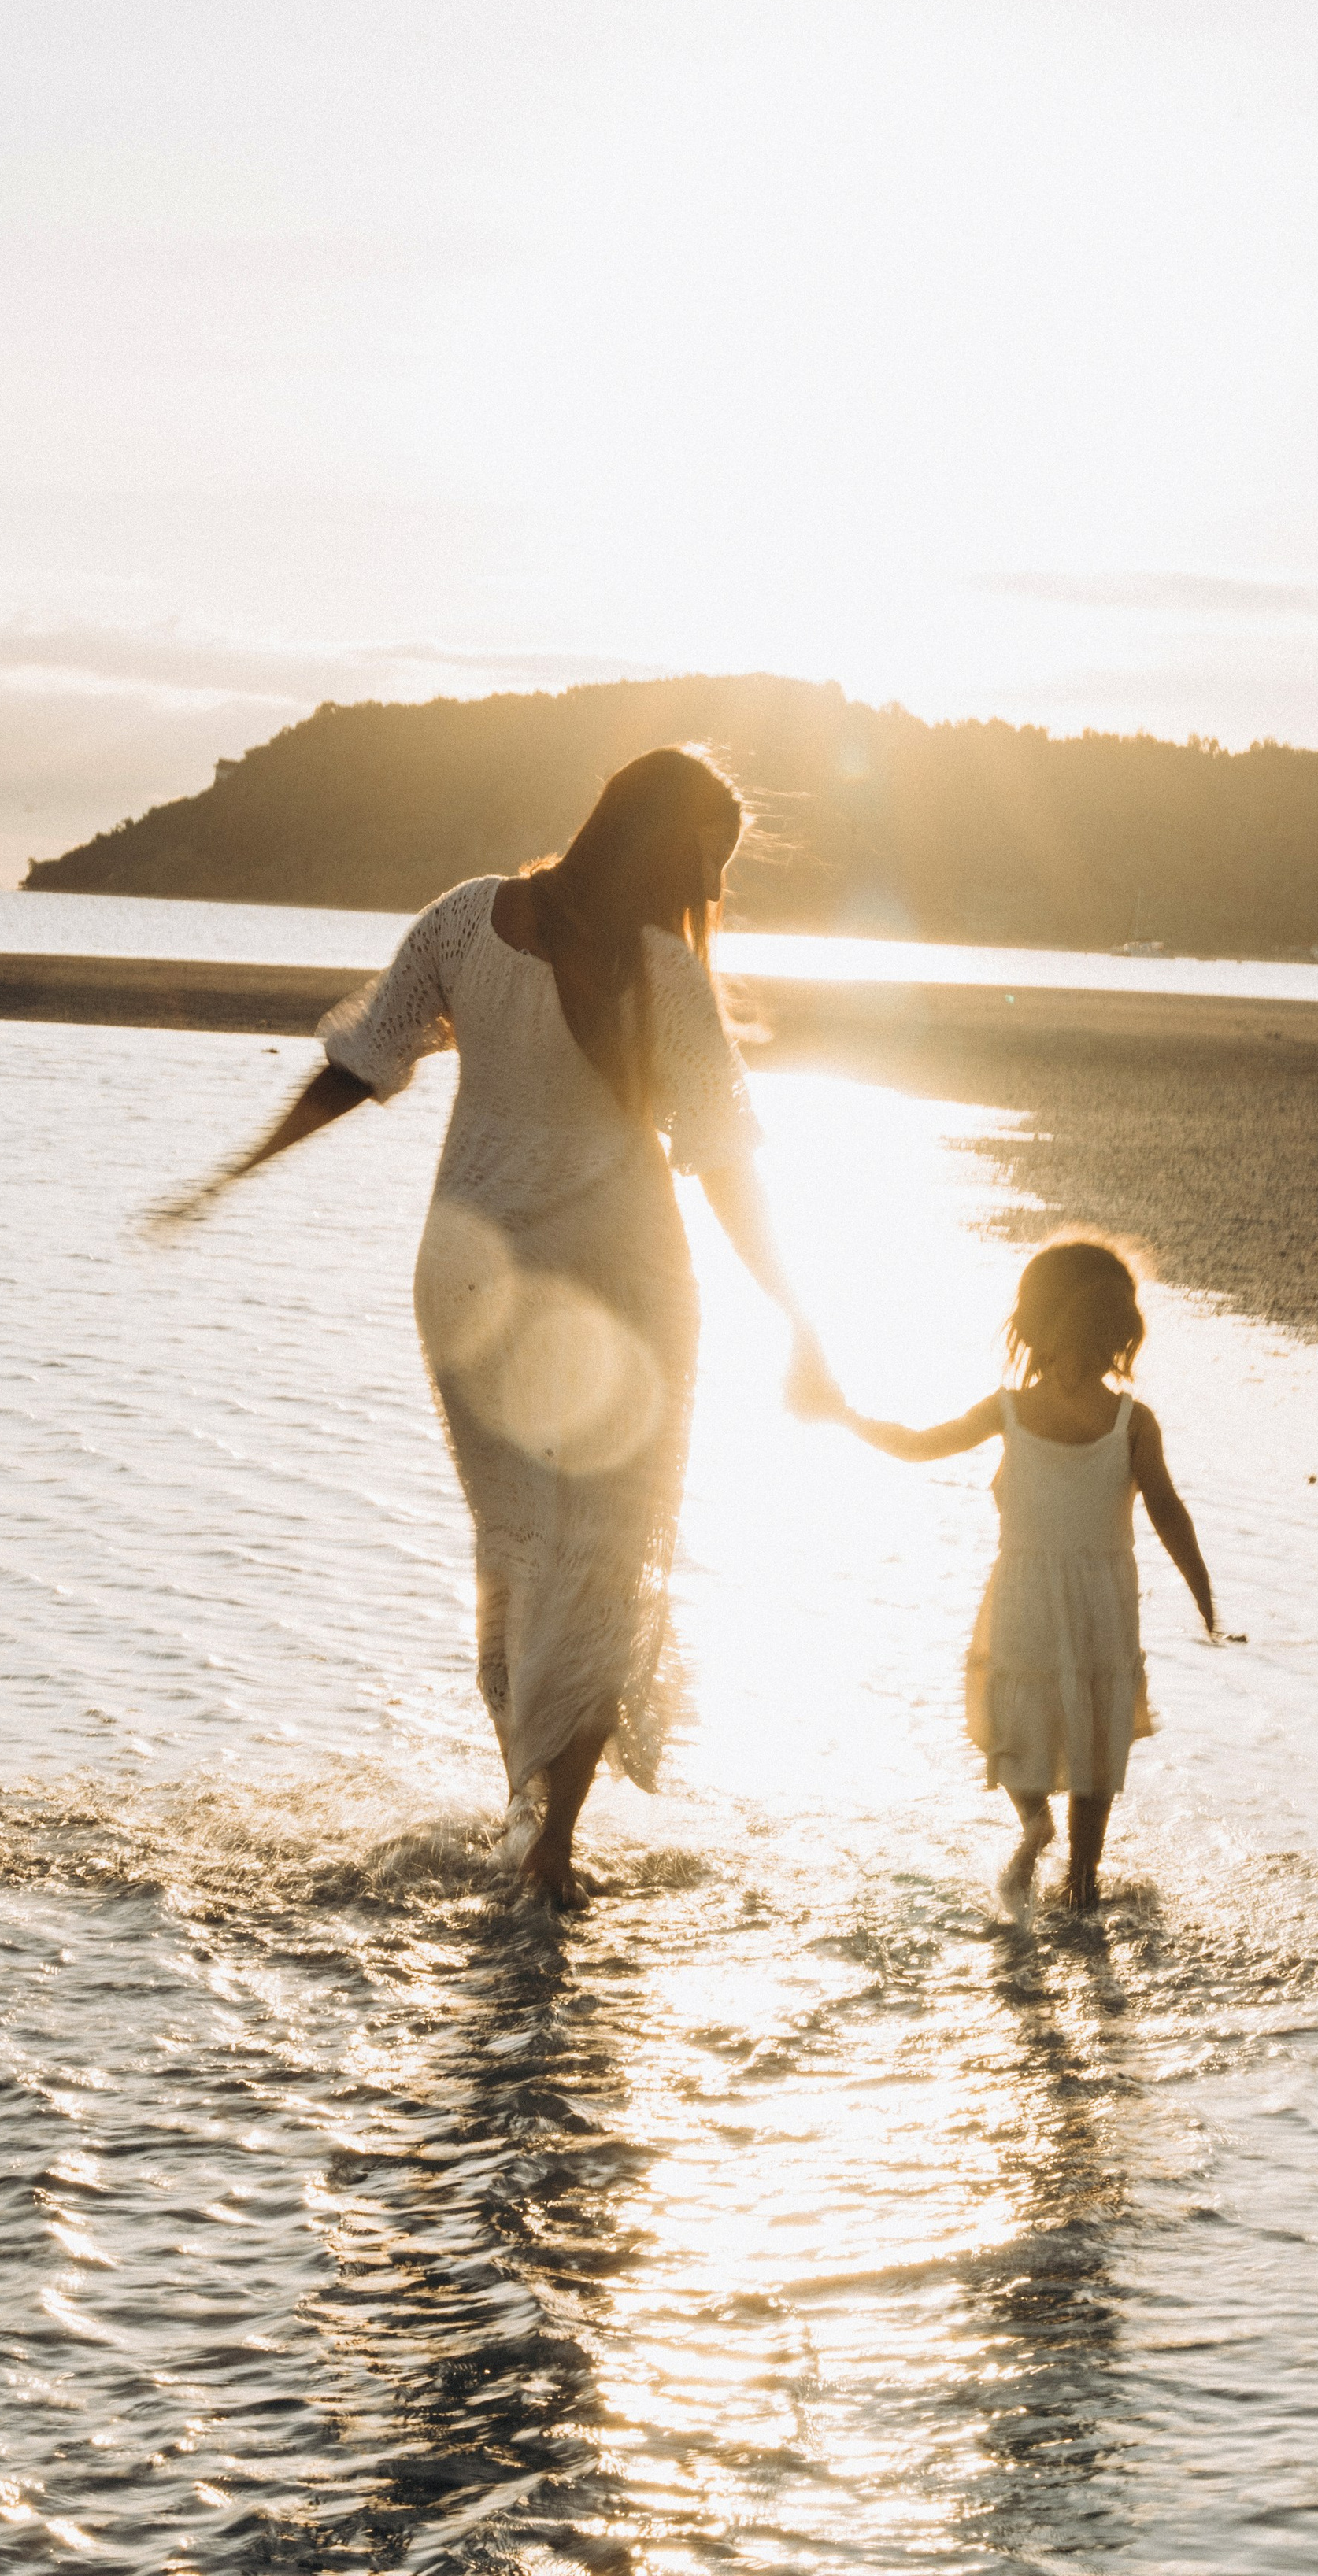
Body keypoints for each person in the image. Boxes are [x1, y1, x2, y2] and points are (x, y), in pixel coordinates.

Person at [159, 745, 835, 1906]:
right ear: (658, 843)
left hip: (467, 1286)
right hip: (620, 1292)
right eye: (706, 861)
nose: (714, 890)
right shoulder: (657, 971)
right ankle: (550, 1848)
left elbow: (360, 1064)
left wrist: (237, 1169)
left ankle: (527, 1812)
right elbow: (724, 1162)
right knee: (600, 1556)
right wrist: (799, 1316)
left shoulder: (466, 920)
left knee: (518, 1547)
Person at [820, 1238, 1221, 1911]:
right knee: (1095, 1742)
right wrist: (1203, 1592)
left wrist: (845, 1416)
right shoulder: (1132, 1422)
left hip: (1022, 1600)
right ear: (1121, 1331)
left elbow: (920, 1444)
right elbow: (1168, 1511)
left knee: (1012, 1722)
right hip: (1102, 1606)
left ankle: (1035, 1822)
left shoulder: (1008, 1410)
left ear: (1030, 1326)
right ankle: (1083, 1882)